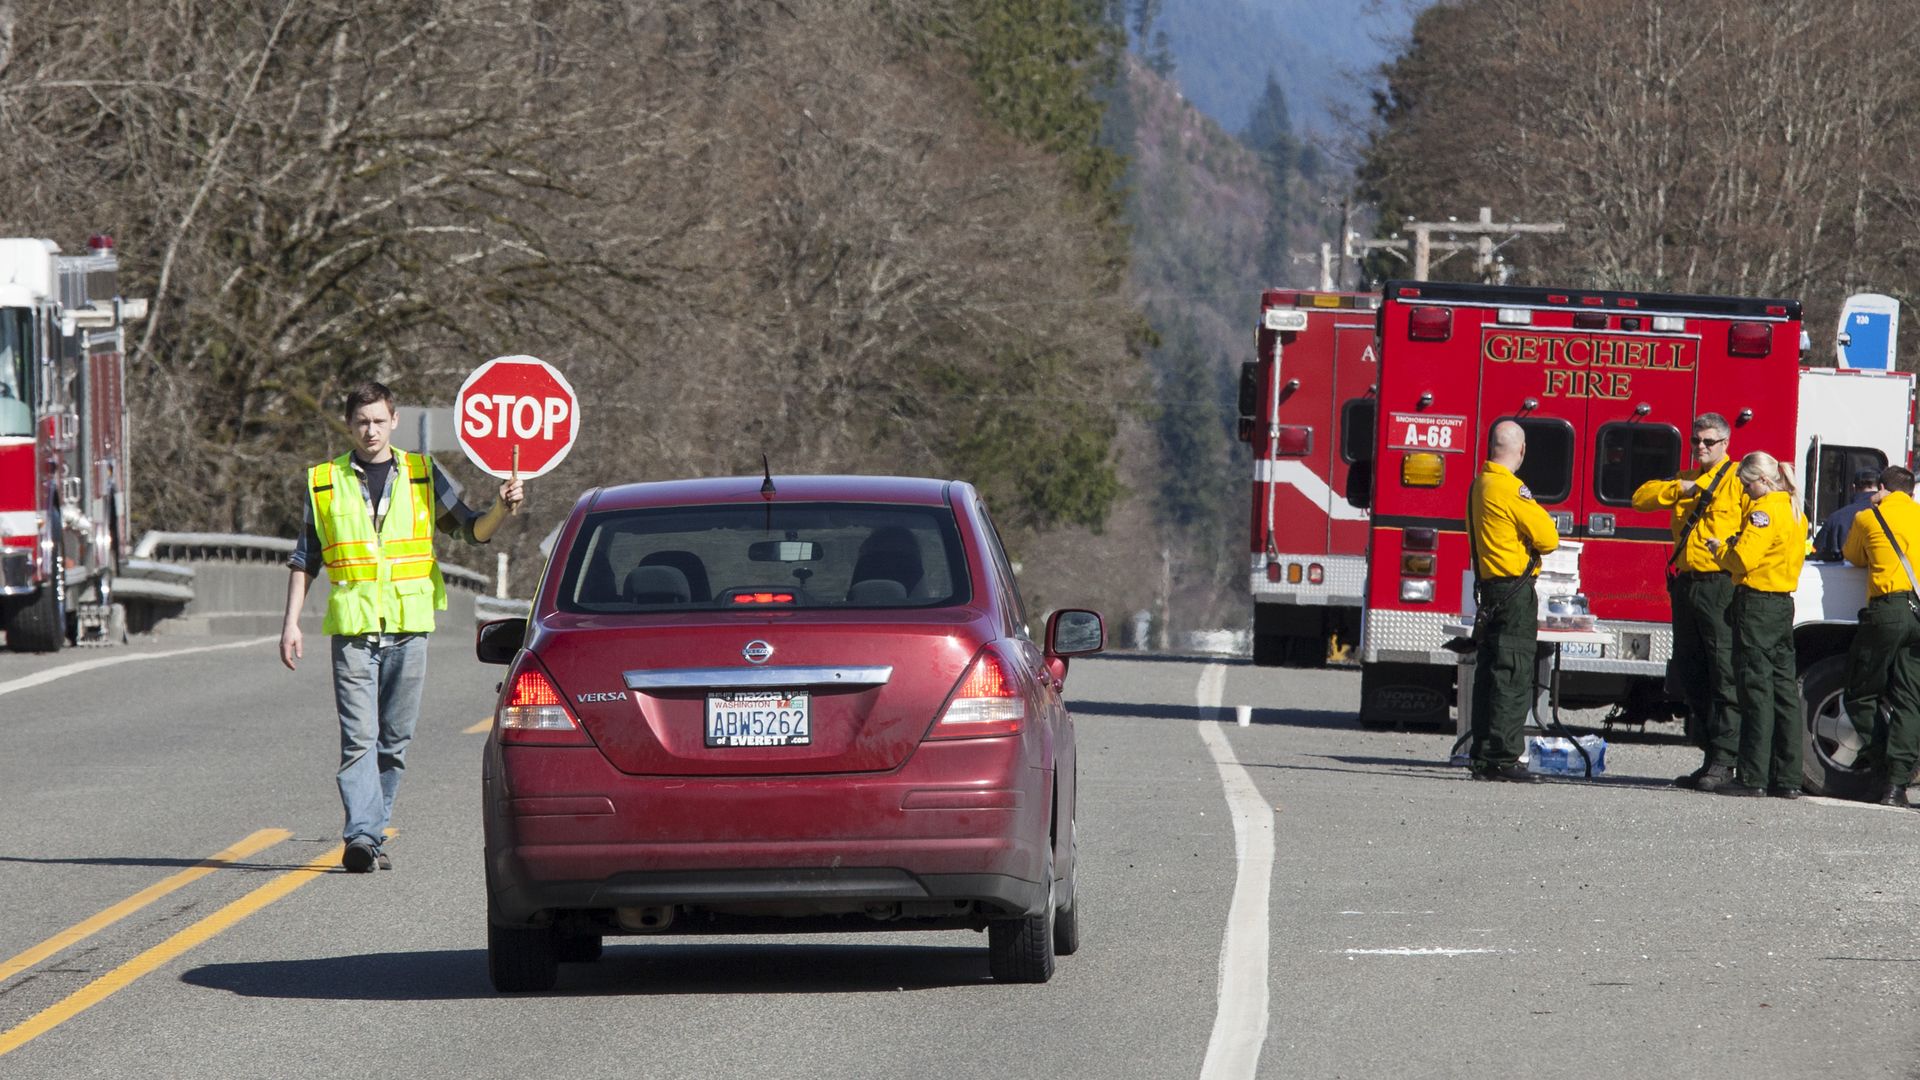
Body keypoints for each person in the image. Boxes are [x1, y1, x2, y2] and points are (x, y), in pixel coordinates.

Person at [280, 382, 525, 872]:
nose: (370, 431)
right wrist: (291, 624)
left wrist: (503, 507)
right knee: (359, 739)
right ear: (348, 426)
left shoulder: (422, 473)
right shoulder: (324, 481)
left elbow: (471, 530)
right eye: (360, 422)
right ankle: (362, 835)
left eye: (378, 420)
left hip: (410, 627)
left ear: (394, 421)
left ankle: (372, 831)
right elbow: (306, 557)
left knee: (394, 741)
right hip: (353, 631)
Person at [1632, 413, 1744, 792]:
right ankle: (1710, 754)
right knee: (1692, 671)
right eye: (1697, 441)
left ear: (1725, 444)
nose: (1701, 447)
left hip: (1721, 584)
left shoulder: (1738, 479)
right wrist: (1680, 489)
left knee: (1724, 673)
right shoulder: (1685, 478)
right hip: (1686, 584)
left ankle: (1726, 760)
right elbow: (1640, 499)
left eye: (1709, 442)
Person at [1705, 452, 1806, 798]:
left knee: (1755, 689)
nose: (1744, 493)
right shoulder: (1795, 510)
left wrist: (1721, 551)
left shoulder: (1764, 513)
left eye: (1746, 485)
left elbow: (1744, 557)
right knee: (1784, 693)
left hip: (1758, 604)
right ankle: (1789, 776)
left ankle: (1752, 776)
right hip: (1782, 604)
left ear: (1762, 480)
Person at [1466, 420, 1560, 783]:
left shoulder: (1480, 484)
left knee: (1490, 673)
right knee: (1513, 672)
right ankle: (1504, 757)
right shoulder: (1510, 487)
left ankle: (1484, 754)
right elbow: (1548, 538)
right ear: (1520, 451)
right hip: (1514, 592)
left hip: (1489, 589)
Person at [1842, 465, 1920, 807]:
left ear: (1883, 489)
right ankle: (1898, 784)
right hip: (1918, 611)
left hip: (1886, 610)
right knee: (1910, 699)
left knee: (1860, 693)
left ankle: (1881, 763)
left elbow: (1853, 556)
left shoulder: (1867, 518)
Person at [1810, 467, 1883, 562]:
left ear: (1853, 488)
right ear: (1882, 488)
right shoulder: (1890, 514)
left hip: (1845, 575)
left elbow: (1817, 551)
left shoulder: (1836, 517)